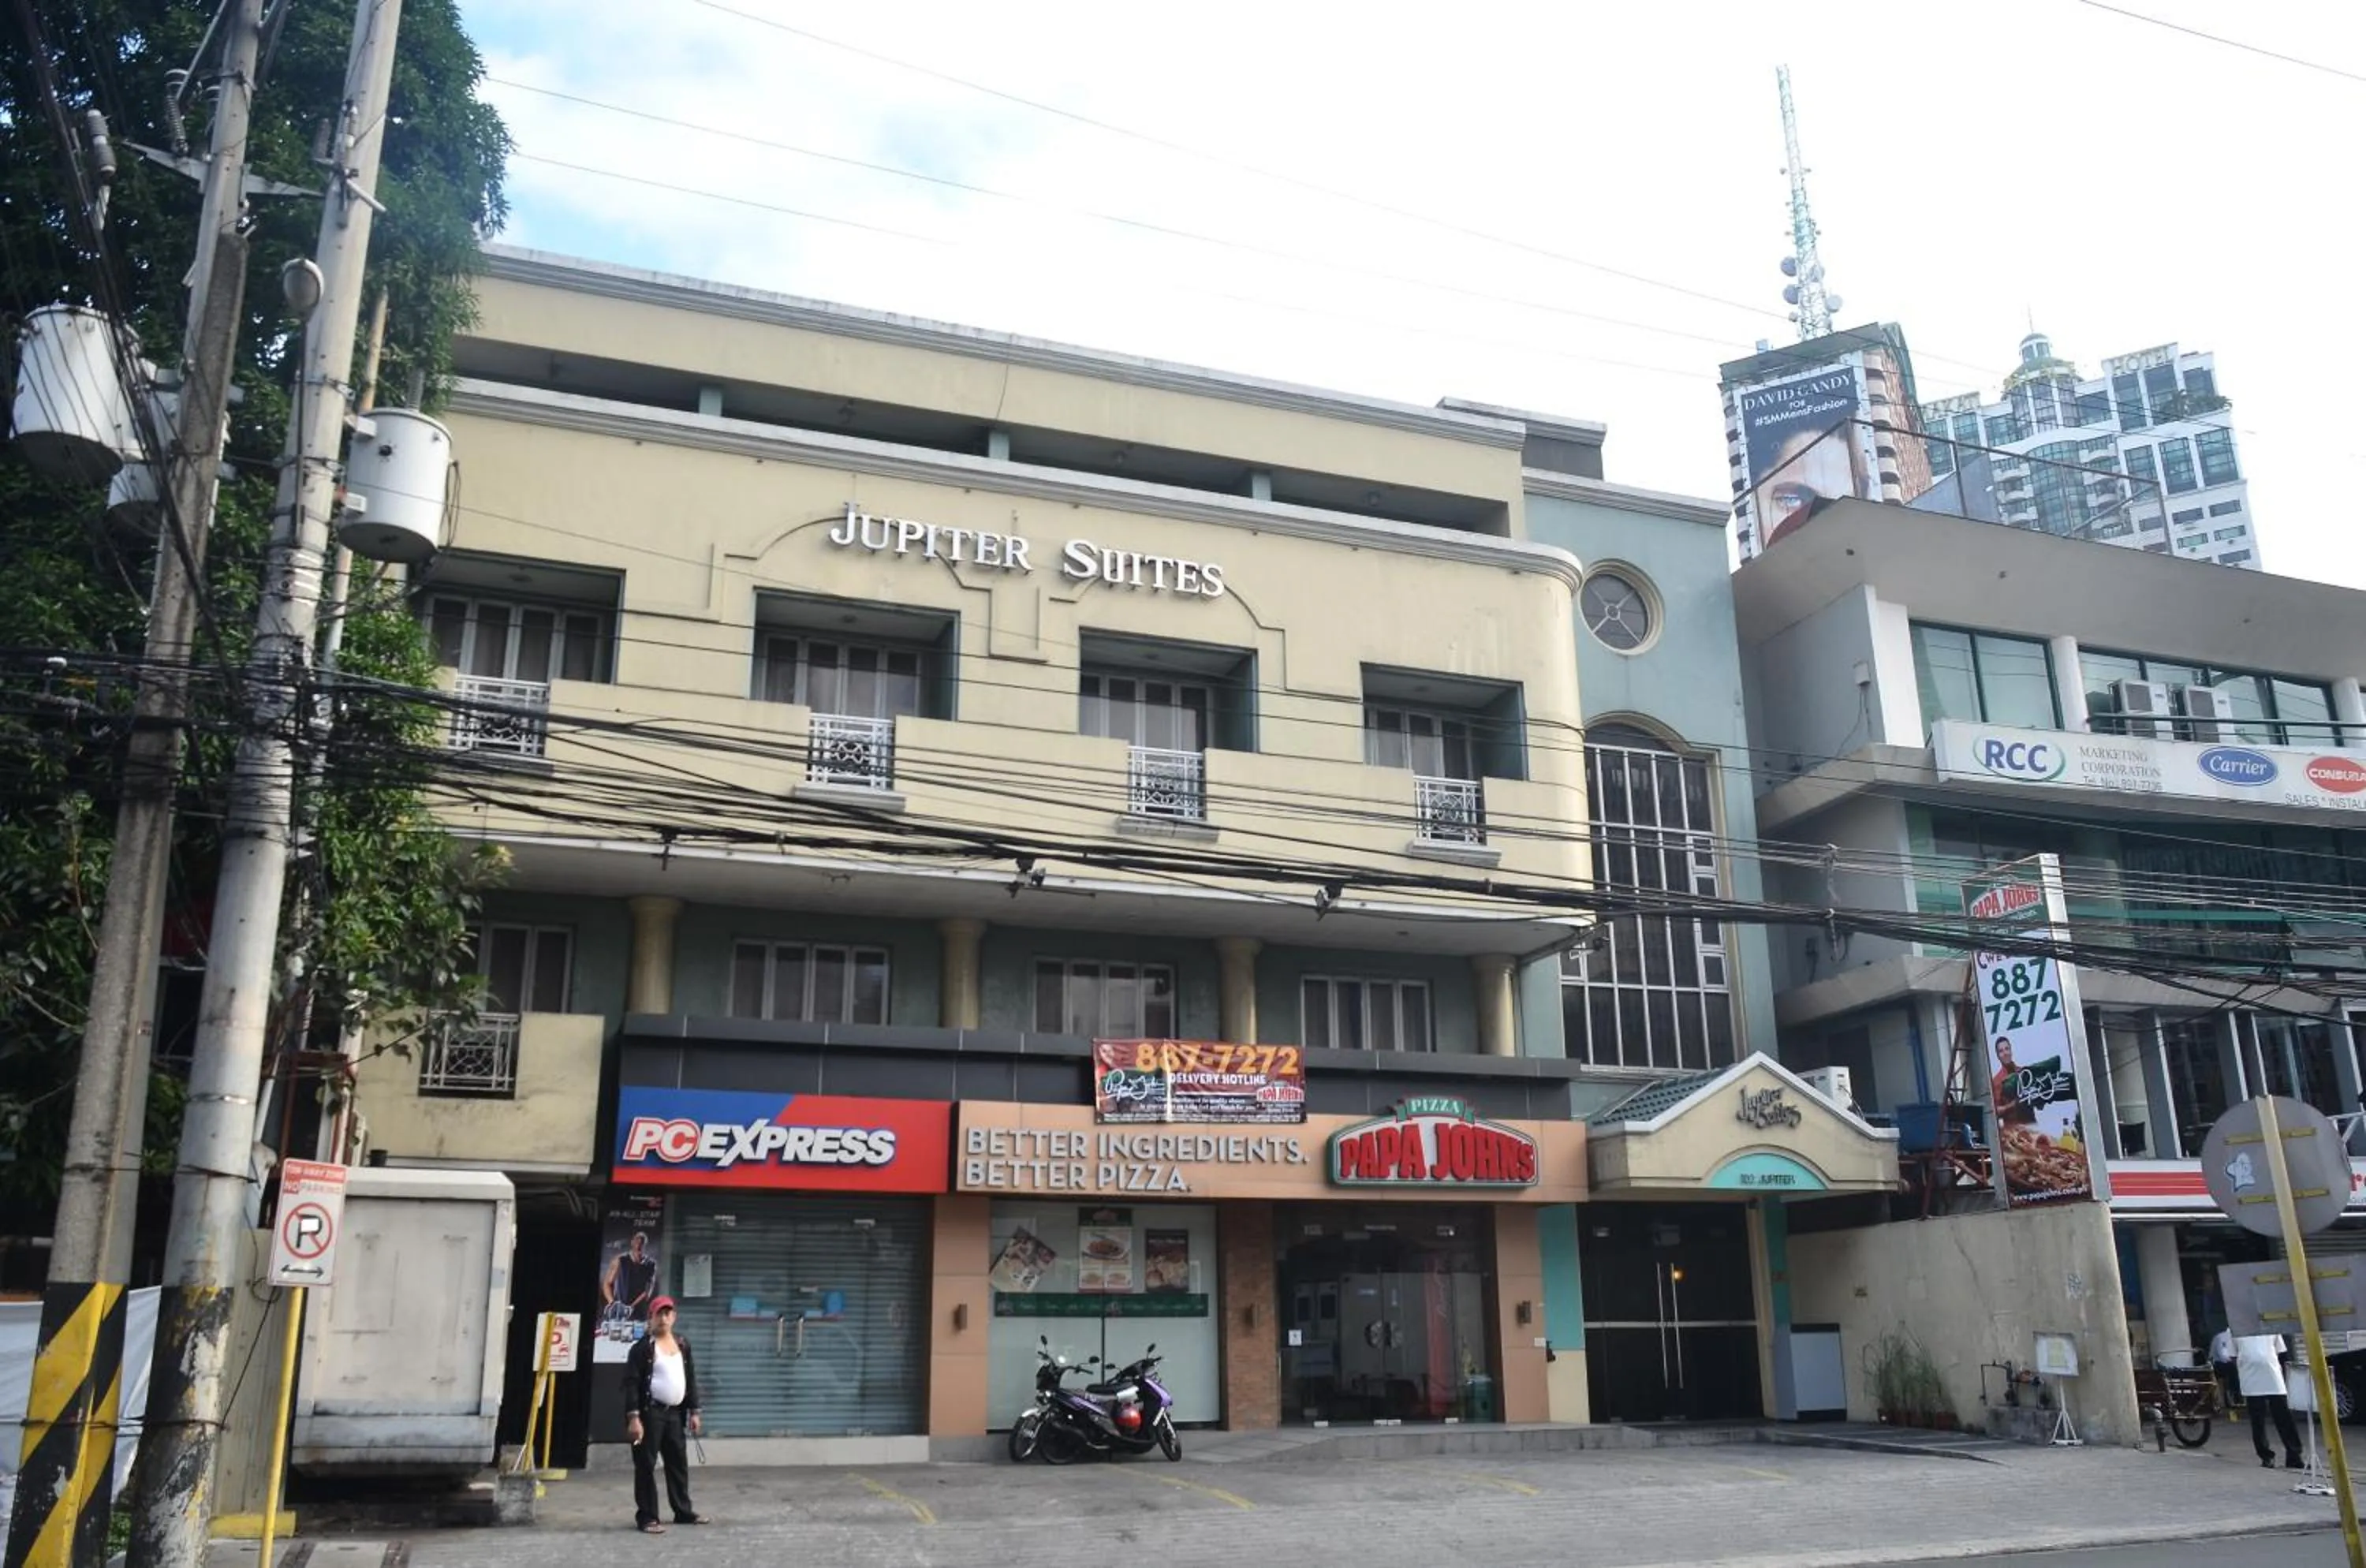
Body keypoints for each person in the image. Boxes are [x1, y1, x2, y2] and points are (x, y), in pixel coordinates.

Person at [623, 1297, 707, 1533]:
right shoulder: (642, 1349)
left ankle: (683, 1511)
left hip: (674, 1415)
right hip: (650, 1412)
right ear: (651, 1317)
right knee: (646, 1464)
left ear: (674, 1317)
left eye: (668, 1314)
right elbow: (631, 1384)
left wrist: (694, 1412)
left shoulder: (682, 1344)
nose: (664, 1318)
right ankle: (648, 1517)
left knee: (677, 1463)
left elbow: (689, 1378)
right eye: (659, 1314)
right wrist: (633, 1417)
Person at [2234, 1331, 2303, 1469]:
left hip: (2273, 1375)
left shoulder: (2271, 1328)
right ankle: (2266, 1456)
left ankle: (2294, 1454)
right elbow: (2233, 1354)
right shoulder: (2235, 1330)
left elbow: (2280, 1352)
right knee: (2257, 1420)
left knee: (2284, 1417)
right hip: (2250, 1377)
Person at [603, 1231, 659, 1327]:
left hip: (639, 1313)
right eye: (637, 1242)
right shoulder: (620, 1260)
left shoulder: (651, 1264)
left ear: (645, 1246)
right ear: (632, 1243)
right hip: (618, 1313)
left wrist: (630, 1307)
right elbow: (607, 1283)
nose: (638, 1246)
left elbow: (647, 1292)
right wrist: (613, 1303)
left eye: (641, 1244)